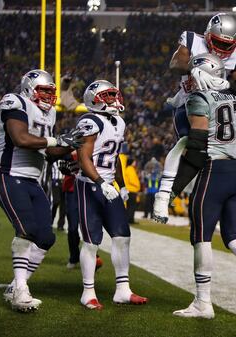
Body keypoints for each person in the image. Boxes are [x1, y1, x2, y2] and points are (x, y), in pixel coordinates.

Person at [171, 54, 236, 320]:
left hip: (214, 171)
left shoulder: (199, 99)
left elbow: (196, 149)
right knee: (235, 236)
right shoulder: (233, 99)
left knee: (201, 236)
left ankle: (203, 302)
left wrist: (170, 189)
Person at [153, 12, 236, 225]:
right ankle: (165, 195)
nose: (222, 49)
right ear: (208, 35)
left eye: (227, 44)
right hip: (189, 105)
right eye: (218, 42)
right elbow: (176, 63)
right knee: (192, 149)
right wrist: (194, 67)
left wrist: (227, 84)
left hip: (217, 108)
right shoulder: (193, 40)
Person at [0, 69, 83, 312]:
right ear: (29, 88)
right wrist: (57, 141)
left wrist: (69, 150)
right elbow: (21, 138)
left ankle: (15, 286)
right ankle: (20, 290)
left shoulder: (49, 112)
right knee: (27, 230)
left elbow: (48, 152)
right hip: (8, 176)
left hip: (33, 181)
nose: (49, 96)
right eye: (44, 91)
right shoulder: (15, 101)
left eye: (52, 91)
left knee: (46, 237)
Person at [75, 79, 147, 310]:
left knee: (122, 236)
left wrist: (121, 185)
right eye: (108, 96)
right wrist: (99, 181)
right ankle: (88, 292)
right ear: (94, 100)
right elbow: (83, 157)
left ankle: (123, 290)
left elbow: (114, 158)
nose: (115, 99)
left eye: (114, 95)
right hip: (89, 183)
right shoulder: (89, 121)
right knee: (91, 241)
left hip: (108, 184)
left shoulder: (119, 122)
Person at [124, 158, 141, 224]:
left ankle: (128, 219)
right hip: (132, 190)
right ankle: (130, 220)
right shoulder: (131, 169)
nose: (135, 163)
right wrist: (137, 185)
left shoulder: (127, 169)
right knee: (132, 206)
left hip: (128, 190)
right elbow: (132, 180)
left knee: (129, 206)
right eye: (134, 161)